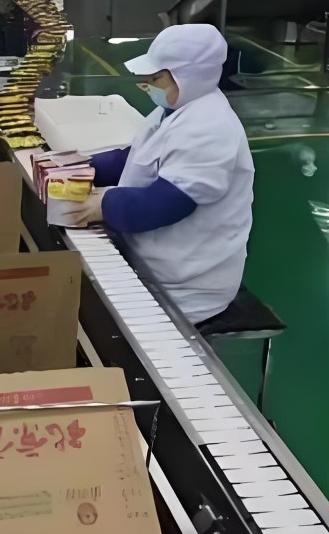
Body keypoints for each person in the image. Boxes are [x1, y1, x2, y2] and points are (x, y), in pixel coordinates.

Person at [63, 25, 254, 324]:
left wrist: (104, 204)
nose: (145, 85)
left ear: (188, 77)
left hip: (188, 288)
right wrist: (84, 166)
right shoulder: (176, 109)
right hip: (154, 265)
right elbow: (137, 157)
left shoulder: (210, 128)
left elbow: (166, 204)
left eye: (155, 79)